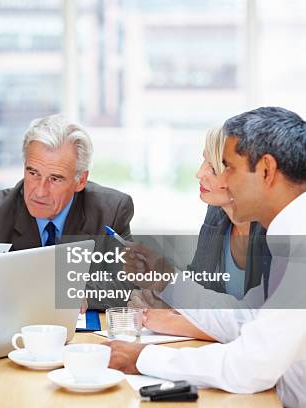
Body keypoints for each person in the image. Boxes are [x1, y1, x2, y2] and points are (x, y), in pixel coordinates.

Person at [109, 107, 306, 408]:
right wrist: (167, 279)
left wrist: (144, 358)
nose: (222, 180)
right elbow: (244, 317)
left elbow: (251, 366)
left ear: (266, 170)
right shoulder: (286, 237)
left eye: (228, 167)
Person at [0, 114, 134, 311]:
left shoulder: (111, 210)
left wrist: (69, 292)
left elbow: (126, 286)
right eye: (33, 173)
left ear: (80, 180)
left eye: (55, 179)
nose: (39, 191)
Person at [131, 127, 271, 340]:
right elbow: (202, 289)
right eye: (203, 161)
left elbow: (257, 324)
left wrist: (172, 322)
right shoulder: (217, 214)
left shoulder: (273, 230)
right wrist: (162, 293)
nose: (199, 173)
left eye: (213, 168)